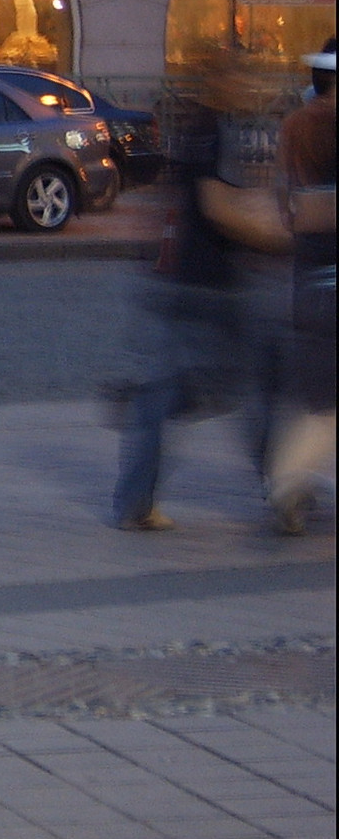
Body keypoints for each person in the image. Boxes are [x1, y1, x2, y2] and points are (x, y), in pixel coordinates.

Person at [110, 52, 274, 531]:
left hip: (185, 277)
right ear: (222, 82)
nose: (251, 87)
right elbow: (218, 208)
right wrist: (277, 239)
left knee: (188, 391)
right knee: (252, 386)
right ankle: (286, 489)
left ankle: (136, 500)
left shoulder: (197, 129)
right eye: (243, 77)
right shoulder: (216, 132)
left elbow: (179, 201)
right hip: (213, 284)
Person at [268, 40, 336, 535]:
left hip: (309, 272)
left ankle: (289, 481)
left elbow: (283, 197)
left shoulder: (294, 125)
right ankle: (288, 483)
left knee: (321, 396)